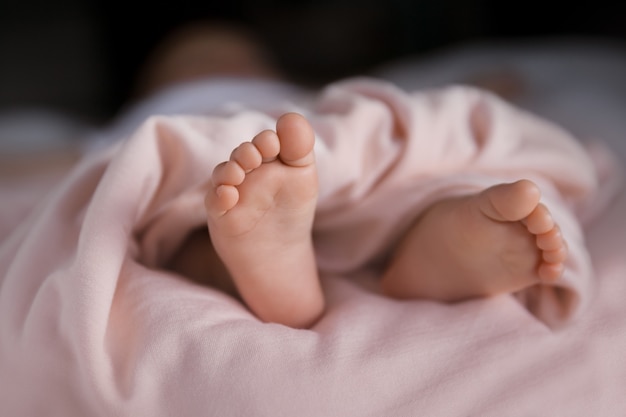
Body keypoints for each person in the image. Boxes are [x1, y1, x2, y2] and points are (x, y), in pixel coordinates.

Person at [126, 21, 568, 329]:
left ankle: (437, 240)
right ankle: (272, 275)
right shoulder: (138, 121)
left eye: (233, 57)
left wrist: (481, 86)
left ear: (268, 70)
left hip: (282, 143)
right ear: (155, 84)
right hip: (215, 138)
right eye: (195, 60)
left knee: (360, 144)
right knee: (180, 213)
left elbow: (364, 106)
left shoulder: (299, 94)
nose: (218, 65)